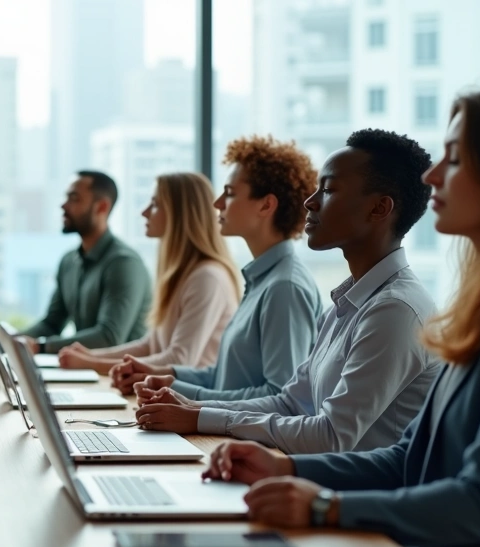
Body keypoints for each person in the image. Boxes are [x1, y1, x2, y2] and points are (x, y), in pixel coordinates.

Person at [203, 90, 480, 547]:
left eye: (456, 158)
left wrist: (327, 507)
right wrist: (289, 472)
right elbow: (412, 458)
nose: (431, 176)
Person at [134, 129, 441, 455]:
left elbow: (331, 436)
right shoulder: (347, 302)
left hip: (349, 500)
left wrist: (201, 417)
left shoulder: (395, 310)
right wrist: (196, 411)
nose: (311, 201)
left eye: (329, 189)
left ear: (379, 209)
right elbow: (292, 402)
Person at [109, 136, 323, 400]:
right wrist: (167, 377)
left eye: (230, 193)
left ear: (266, 205)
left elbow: (281, 397)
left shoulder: (284, 287)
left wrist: (185, 396)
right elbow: (225, 377)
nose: (218, 203)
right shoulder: (262, 279)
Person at [57, 172, 240, 375]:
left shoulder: (207, 277)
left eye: (154, 204)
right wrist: (91, 355)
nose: (144, 212)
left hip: (191, 402)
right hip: (168, 398)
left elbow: (179, 360)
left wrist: (90, 363)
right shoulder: (181, 275)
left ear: (179, 213)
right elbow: (150, 345)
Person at [19, 171, 152, 354]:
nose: (63, 205)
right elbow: (51, 324)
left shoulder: (123, 263)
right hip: (85, 372)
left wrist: (41, 346)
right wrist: (11, 341)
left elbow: (109, 337)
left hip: (119, 378)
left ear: (102, 207)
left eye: (74, 198)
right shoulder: (69, 261)